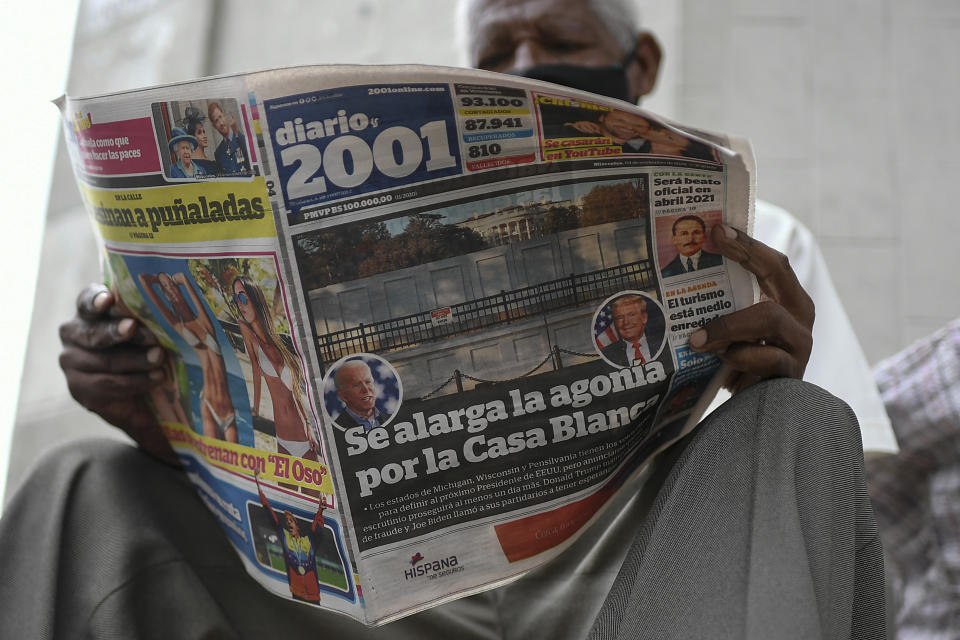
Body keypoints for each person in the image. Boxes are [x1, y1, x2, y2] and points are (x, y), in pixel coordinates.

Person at [0, 1, 887, 637]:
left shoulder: (758, 237)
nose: (531, 60)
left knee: (799, 419)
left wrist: (776, 371)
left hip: (634, 586)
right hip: (376, 604)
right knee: (80, 480)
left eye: (562, 37)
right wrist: (155, 408)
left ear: (640, 65)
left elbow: (833, 498)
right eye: (500, 48)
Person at [140, 271, 237, 442]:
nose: (170, 291)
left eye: (172, 287)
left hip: (227, 409)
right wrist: (159, 279)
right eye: (165, 290)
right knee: (214, 460)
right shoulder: (179, 326)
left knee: (239, 462)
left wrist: (181, 280)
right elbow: (143, 280)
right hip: (207, 403)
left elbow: (189, 288)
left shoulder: (203, 322)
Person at [231, 275, 319, 460]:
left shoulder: (281, 345)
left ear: (255, 298)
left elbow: (295, 392)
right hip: (282, 438)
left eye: (243, 297)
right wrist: (254, 408)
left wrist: (309, 427)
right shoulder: (248, 334)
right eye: (236, 298)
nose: (240, 304)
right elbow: (255, 370)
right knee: (289, 489)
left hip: (304, 434)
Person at [255, 475, 327, 604]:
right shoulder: (285, 537)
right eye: (286, 520)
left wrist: (320, 511)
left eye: (291, 520)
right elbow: (271, 516)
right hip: (296, 592)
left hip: (314, 596)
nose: (288, 523)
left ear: (297, 525)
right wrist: (259, 488)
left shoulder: (308, 541)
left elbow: (318, 530)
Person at [599, 295, 663, 367]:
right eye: (620, 317)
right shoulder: (607, 355)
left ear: (644, 317)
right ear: (615, 323)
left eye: (632, 315)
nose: (626, 322)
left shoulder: (661, 342)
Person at [331, 359, 387, 432]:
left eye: (368, 382)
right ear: (343, 396)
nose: (366, 389)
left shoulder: (390, 418)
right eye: (356, 385)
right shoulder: (336, 429)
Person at [208, 101, 250, 175]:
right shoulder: (218, 154)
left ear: (224, 116)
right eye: (216, 121)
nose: (221, 123)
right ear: (214, 126)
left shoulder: (241, 139)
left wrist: (236, 133)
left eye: (220, 117)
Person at [181, 105, 220, 175]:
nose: (204, 136)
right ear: (193, 137)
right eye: (199, 133)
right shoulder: (190, 164)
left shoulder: (213, 163)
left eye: (204, 132)